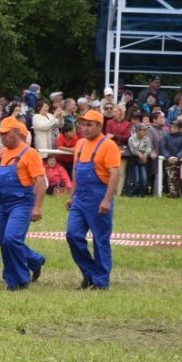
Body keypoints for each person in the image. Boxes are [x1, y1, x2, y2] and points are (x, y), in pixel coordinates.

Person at [0, 117, 47, 290]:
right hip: (3, 204)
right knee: (4, 241)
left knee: (11, 239)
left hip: (21, 203)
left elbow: (40, 182)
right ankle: (30, 263)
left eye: (6, 134)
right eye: (0, 134)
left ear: (17, 133)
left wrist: (37, 207)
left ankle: (21, 279)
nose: (2, 137)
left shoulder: (29, 153)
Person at [67, 110, 121, 290]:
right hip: (80, 198)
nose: (84, 128)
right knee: (72, 235)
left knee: (100, 240)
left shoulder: (109, 145)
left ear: (99, 126)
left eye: (89, 125)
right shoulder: (80, 144)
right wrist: (71, 195)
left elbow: (115, 175)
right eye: (82, 124)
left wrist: (106, 200)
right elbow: (76, 171)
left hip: (99, 197)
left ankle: (100, 282)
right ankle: (89, 273)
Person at [125, 124, 152, 196]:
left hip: (143, 160)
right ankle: (132, 193)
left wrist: (146, 154)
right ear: (138, 131)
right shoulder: (131, 139)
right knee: (135, 178)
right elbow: (132, 149)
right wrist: (138, 153)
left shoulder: (147, 139)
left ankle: (141, 193)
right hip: (134, 160)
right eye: (144, 130)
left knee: (144, 178)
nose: (145, 131)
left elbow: (149, 148)